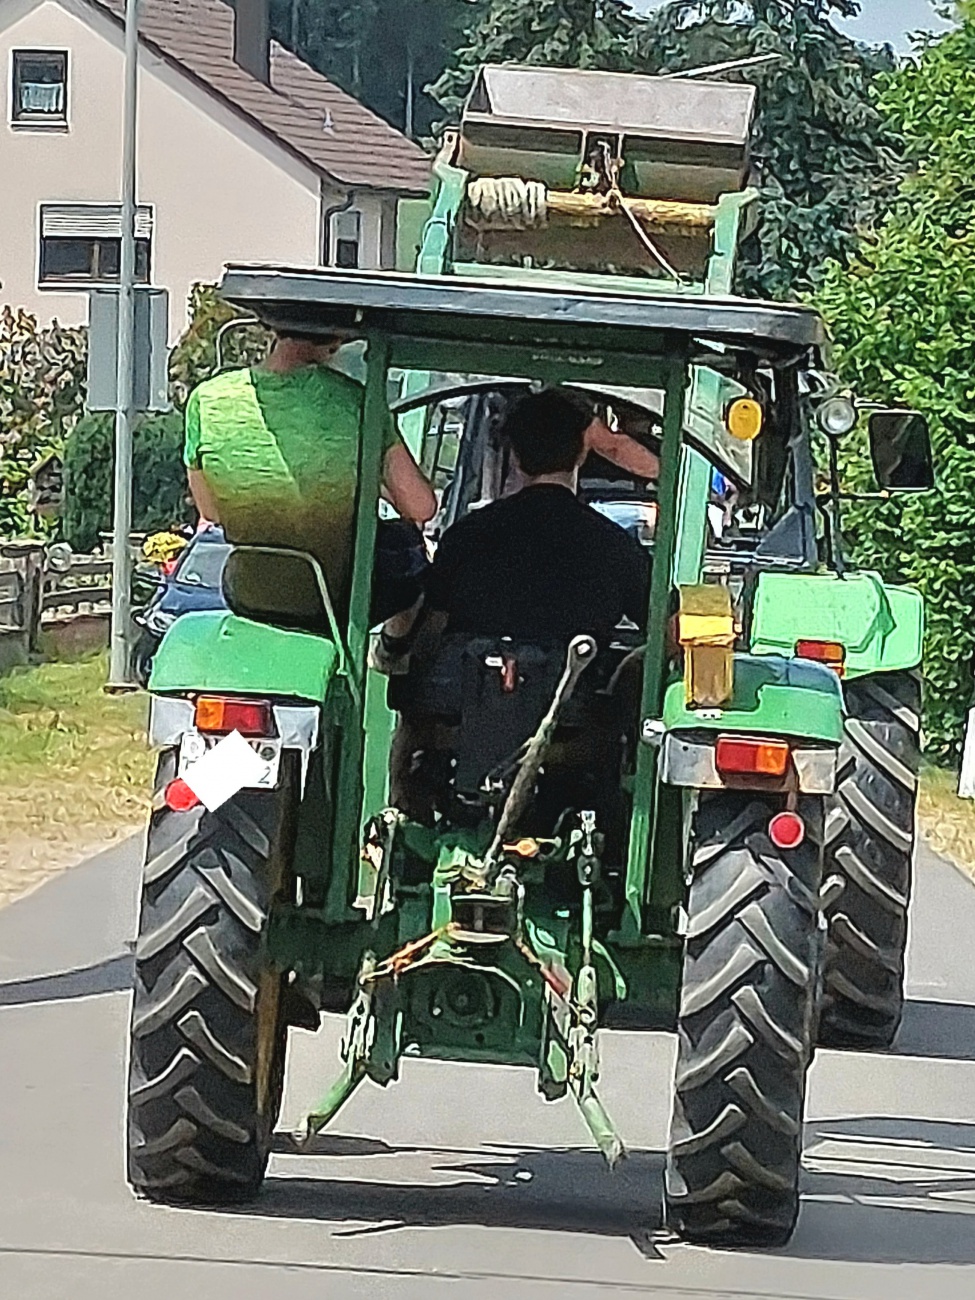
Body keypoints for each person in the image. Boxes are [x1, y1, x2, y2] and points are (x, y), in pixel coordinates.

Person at [184, 329, 436, 626]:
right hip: (330, 598)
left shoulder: (206, 400)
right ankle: (390, 656)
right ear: (337, 340)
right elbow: (422, 507)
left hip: (248, 593)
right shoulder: (357, 401)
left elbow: (212, 511)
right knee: (412, 556)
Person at [421, 387, 651, 646]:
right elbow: (669, 630)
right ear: (582, 453)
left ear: (516, 457)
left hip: (470, 683)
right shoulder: (615, 546)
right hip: (578, 683)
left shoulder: (464, 536)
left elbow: (430, 633)